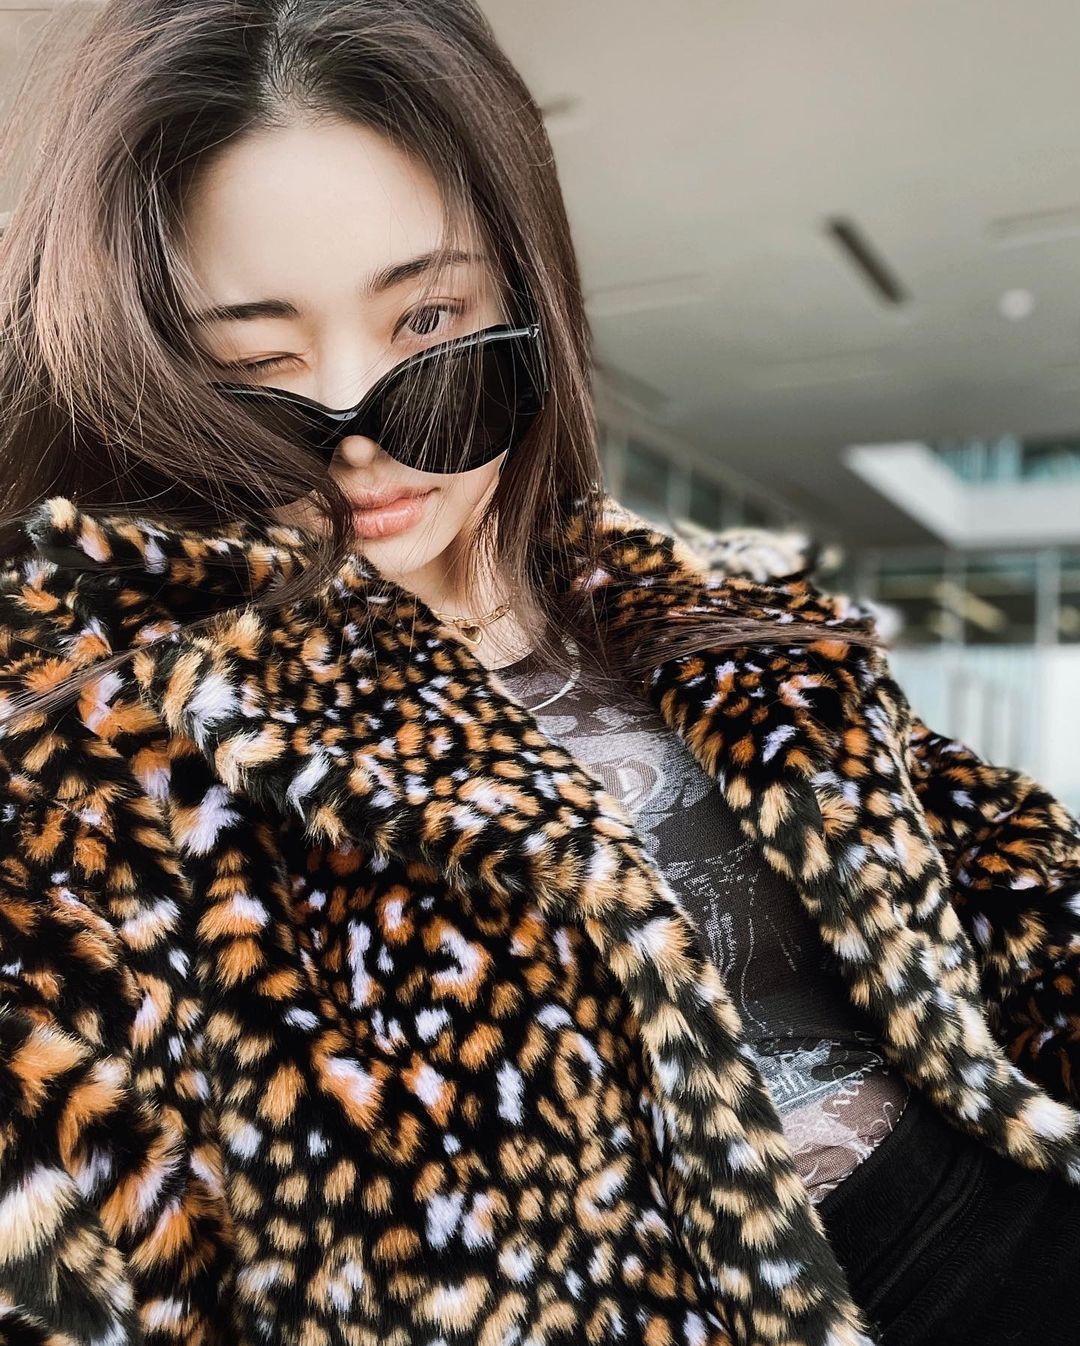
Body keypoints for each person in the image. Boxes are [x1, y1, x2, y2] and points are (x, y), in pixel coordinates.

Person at [0, 3, 1077, 1345]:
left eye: (429, 321)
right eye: (255, 367)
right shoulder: (106, 758)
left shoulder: (718, 617)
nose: (360, 439)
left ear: (524, 296)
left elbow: (1017, 894)